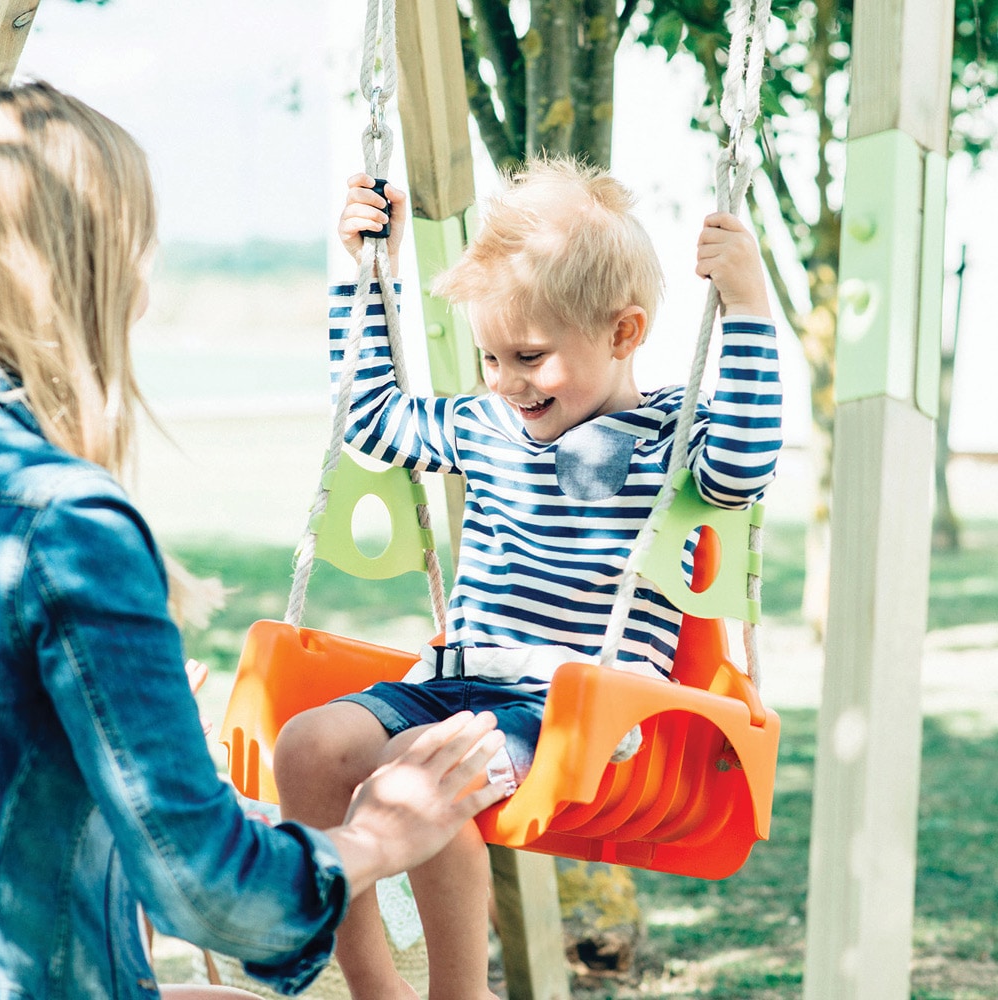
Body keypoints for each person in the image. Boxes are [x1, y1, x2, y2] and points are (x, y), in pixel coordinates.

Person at [0, 80, 510, 1000]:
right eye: (137, 256)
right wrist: (378, 837)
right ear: (84, 272)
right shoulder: (64, 527)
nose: (146, 294)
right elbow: (212, 894)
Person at [273, 158, 783, 1000]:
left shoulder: (670, 436)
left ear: (623, 333)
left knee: (414, 779)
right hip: (453, 680)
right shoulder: (484, 424)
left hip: (577, 710)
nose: (507, 382)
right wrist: (368, 276)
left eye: (529, 357)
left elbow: (740, 468)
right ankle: (370, 984)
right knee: (308, 746)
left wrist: (750, 309)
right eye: (490, 358)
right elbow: (368, 418)